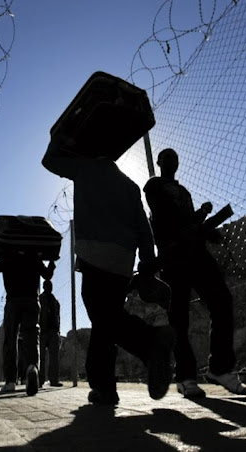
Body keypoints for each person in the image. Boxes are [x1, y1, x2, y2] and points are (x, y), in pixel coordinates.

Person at [42, 134, 175, 406]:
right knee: (107, 320)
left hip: (94, 257)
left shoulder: (84, 168)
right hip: (123, 264)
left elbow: (50, 162)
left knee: (104, 319)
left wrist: (60, 135)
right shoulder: (129, 185)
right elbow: (143, 227)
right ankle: (108, 385)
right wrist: (148, 262)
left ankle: (147, 347)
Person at [144, 148, 246, 398]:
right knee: (179, 317)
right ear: (159, 162)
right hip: (173, 255)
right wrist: (200, 221)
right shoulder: (153, 186)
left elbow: (187, 222)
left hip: (196, 252)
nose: (172, 160)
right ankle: (185, 377)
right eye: (167, 156)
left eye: (175, 157)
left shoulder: (185, 192)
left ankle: (220, 369)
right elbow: (167, 217)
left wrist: (204, 228)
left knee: (222, 300)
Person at [0, 248, 55, 396]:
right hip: (31, 301)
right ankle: (32, 367)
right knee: (31, 335)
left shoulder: (8, 256)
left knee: (10, 339)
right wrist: (52, 262)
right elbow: (47, 275)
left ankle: (10, 381)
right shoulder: (34, 256)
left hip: (13, 301)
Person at [39, 279, 63, 388]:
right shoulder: (39, 299)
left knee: (54, 358)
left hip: (53, 331)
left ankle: (54, 380)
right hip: (42, 330)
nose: (49, 287)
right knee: (41, 357)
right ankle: (40, 379)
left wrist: (58, 331)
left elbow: (58, 317)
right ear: (44, 287)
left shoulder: (55, 301)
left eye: (50, 285)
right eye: (47, 285)